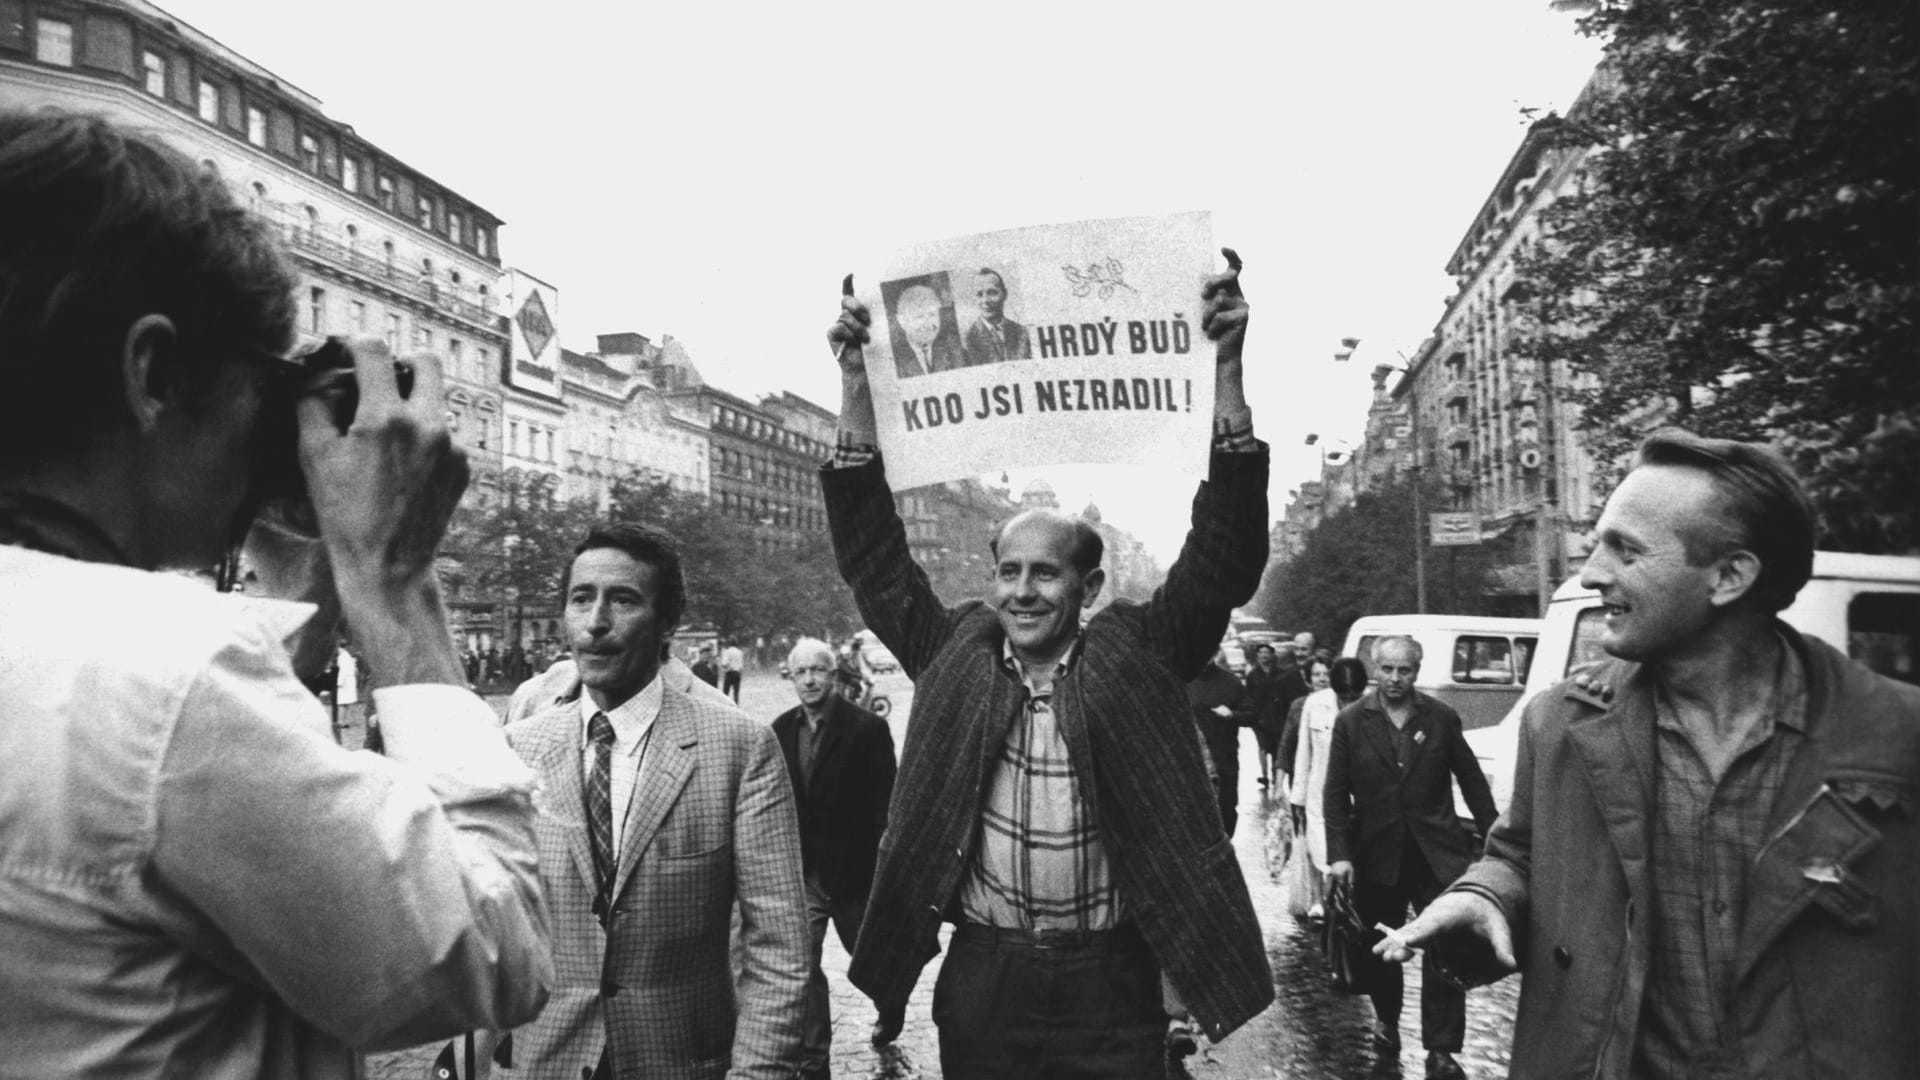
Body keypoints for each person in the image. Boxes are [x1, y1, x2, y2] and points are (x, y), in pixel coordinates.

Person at [0, 110, 552, 1076]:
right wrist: (393, 583)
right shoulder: (167, 669)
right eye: (264, 382)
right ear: (155, 373)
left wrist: (289, 622)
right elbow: (487, 954)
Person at [819, 249, 1274, 1075]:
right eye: (1008, 572)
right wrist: (858, 388)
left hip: (1113, 979)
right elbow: (874, 559)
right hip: (988, 973)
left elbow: (1222, 558)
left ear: (1089, 586)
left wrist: (1228, 374)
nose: (1022, 593)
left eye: (1045, 574)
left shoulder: (1138, 651)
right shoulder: (955, 648)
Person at [1381, 430, 1920, 1080]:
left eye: (1625, 550)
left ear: (1730, 576)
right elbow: (1520, 856)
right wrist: (1487, 896)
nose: (1591, 574)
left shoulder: (1896, 736)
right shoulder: (1561, 726)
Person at [499, 523, 809, 1078]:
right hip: (546, 1060)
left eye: (622, 600)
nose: (595, 623)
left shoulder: (740, 749)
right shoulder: (520, 747)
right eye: (580, 599)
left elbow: (781, 948)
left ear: (668, 623)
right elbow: (491, 931)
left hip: (681, 1062)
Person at [1324, 636, 1498, 1080]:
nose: (1395, 679)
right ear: (1374, 670)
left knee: (1447, 946)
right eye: (1386, 670)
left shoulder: (1440, 718)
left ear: (1417, 671)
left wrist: (1497, 840)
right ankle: (1386, 1020)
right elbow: (1334, 794)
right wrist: (1340, 855)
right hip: (1375, 854)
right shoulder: (1350, 722)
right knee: (1381, 948)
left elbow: (1472, 780)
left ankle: (1441, 1047)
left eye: (1404, 670)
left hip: (1436, 854)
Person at [770, 638, 903, 1077]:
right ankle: (814, 1059)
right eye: (801, 671)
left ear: (833, 675)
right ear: (791, 676)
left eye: (818, 671)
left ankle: (890, 1006)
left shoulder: (865, 728)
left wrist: (880, 867)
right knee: (803, 967)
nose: (809, 679)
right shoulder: (780, 730)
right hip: (804, 873)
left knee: (871, 959)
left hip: (854, 874)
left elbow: (887, 804)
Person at [1290, 656, 1367, 919]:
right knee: (1320, 849)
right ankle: (1321, 900)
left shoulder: (1372, 707)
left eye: (1354, 697)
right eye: (1343, 697)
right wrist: (1297, 798)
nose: (1348, 703)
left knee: (1352, 854)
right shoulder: (1315, 704)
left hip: (1359, 796)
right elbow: (1304, 752)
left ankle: (1345, 904)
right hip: (1320, 794)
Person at [1188, 647, 1254, 836]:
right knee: (1196, 815)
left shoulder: (1231, 682)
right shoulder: (1182, 681)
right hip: (1193, 762)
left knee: (1226, 811)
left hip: (1225, 760)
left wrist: (1233, 714)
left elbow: (1252, 716)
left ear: (1215, 653)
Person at [887, 280, 964, 377]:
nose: (928, 324)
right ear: (902, 320)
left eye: (932, 314)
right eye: (920, 316)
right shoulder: (891, 360)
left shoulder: (955, 348)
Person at [960, 267, 1033, 367]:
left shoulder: (1023, 333)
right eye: (979, 294)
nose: (985, 300)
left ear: (1005, 294)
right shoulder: (965, 342)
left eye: (992, 292)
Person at [1244, 643, 1284, 789]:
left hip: (1276, 716)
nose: (1264, 655)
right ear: (1257, 655)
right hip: (1259, 716)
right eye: (1261, 653)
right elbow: (1248, 696)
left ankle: (1274, 776)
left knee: (1275, 748)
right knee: (1262, 746)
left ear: (1272, 655)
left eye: (1267, 652)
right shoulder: (1252, 675)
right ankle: (1264, 775)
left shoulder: (1280, 672)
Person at [721, 637, 746, 702]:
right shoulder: (740, 652)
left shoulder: (727, 652)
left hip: (729, 673)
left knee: (725, 693)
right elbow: (741, 665)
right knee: (736, 693)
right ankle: (736, 707)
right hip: (737, 673)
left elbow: (724, 663)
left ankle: (725, 706)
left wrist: (725, 667)